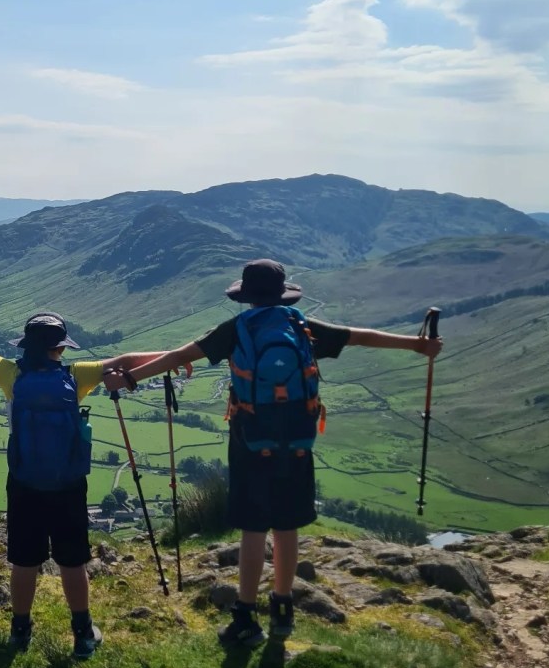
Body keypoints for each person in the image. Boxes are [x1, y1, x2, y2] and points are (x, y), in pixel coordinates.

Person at [103, 259, 443, 648]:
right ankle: (283, 608)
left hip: (250, 440)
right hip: (298, 441)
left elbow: (180, 357)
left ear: (245, 296)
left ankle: (246, 616)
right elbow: (358, 336)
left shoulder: (237, 329)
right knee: (287, 527)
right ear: (283, 293)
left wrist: (129, 377)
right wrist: (417, 345)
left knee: (253, 528)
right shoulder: (301, 325)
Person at [0, 303, 168, 659]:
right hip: (68, 485)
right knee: (72, 562)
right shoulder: (78, 375)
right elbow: (127, 359)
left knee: (25, 561)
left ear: (25, 346)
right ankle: (82, 634)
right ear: (61, 348)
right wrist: (176, 356)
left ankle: (20, 632)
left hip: (24, 483)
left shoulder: (10, 375)